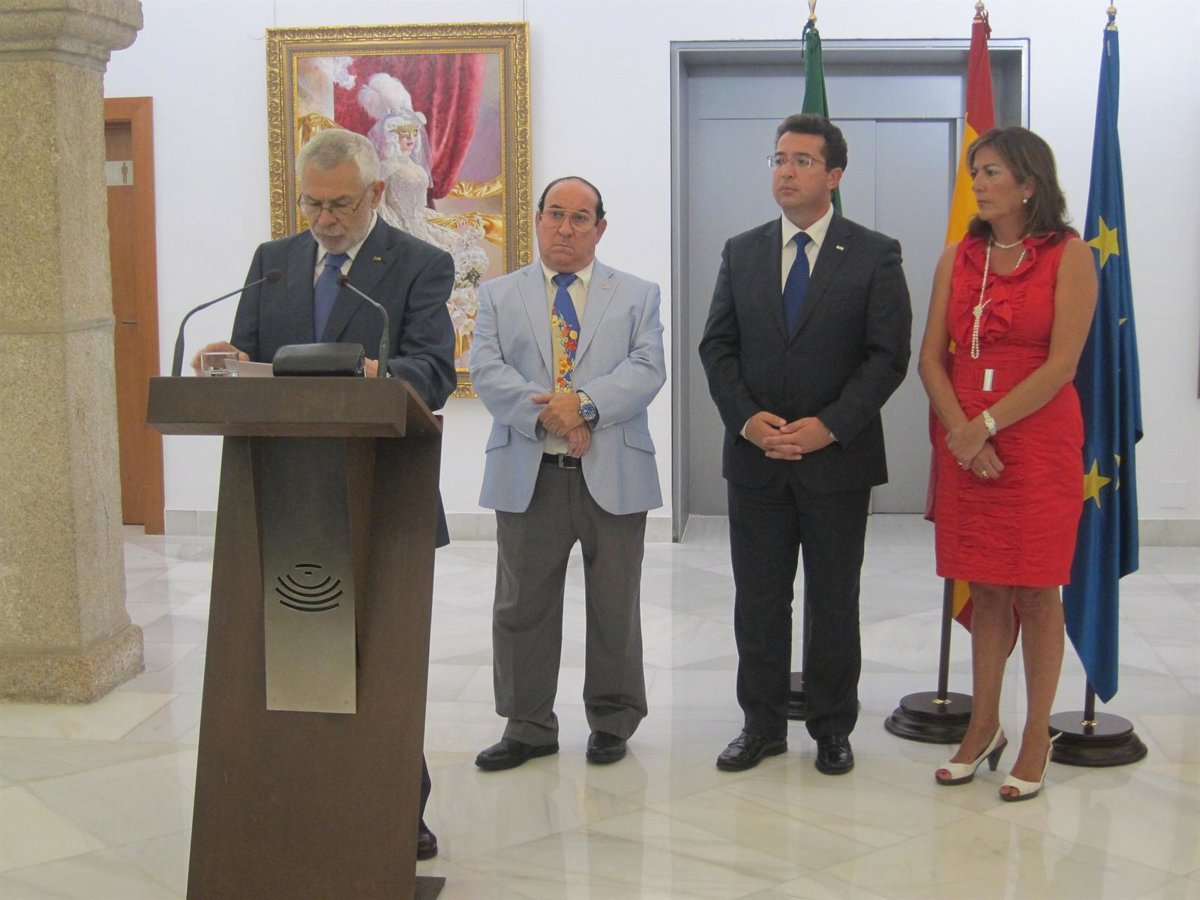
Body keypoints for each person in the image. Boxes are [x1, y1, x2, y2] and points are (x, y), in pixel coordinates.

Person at [191, 127, 455, 857]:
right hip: (280, 494)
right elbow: (255, 358)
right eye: (312, 203)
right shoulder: (273, 261)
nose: (325, 219)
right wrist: (228, 361)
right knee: (283, 662)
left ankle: (397, 808)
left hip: (382, 496)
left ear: (375, 193)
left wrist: (376, 373)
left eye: (340, 204)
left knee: (380, 662)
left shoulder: (418, 265)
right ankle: (291, 795)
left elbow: (434, 370)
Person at [699, 114, 912, 776]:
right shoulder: (742, 251)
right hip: (756, 461)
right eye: (778, 159)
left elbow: (887, 356)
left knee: (833, 601)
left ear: (834, 175)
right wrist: (746, 420)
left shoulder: (874, 253)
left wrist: (831, 425)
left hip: (837, 463)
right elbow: (718, 346)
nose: (786, 171)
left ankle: (831, 727)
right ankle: (760, 725)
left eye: (802, 161)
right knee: (759, 600)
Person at [918, 127, 1097, 801]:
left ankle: (1034, 736)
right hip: (966, 445)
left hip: (1036, 442)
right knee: (987, 586)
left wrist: (986, 426)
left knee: (1037, 590)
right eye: (975, 171)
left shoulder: (1069, 255)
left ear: (1028, 184)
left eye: (991, 171)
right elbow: (929, 359)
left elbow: (1063, 365)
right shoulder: (957, 258)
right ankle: (983, 725)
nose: (978, 183)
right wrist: (962, 433)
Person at [469, 176, 665, 770]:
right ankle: (527, 725)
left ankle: (612, 720)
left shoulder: (637, 295)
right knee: (521, 605)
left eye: (581, 218)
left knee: (615, 605)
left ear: (599, 229)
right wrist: (552, 414)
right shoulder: (499, 294)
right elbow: (487, 370)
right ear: (537, 219)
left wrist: (583, 406)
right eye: (555, 214)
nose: (565, 228)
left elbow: (647, 368)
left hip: (614, 473)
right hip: (530, 473)